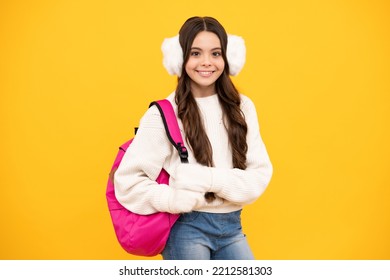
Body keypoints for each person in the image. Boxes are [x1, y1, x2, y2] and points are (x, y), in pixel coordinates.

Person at [114, 16, 273, 260]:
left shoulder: (243, 107)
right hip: (187, 229)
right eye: (196, 53)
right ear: (180, 59)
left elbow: (259, 176)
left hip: (233, 226)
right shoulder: (163, 114)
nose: (207, 62)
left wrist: (206, 178)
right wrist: (172, 199)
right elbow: (127, 182)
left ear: (228, 58)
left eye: (216, 53)